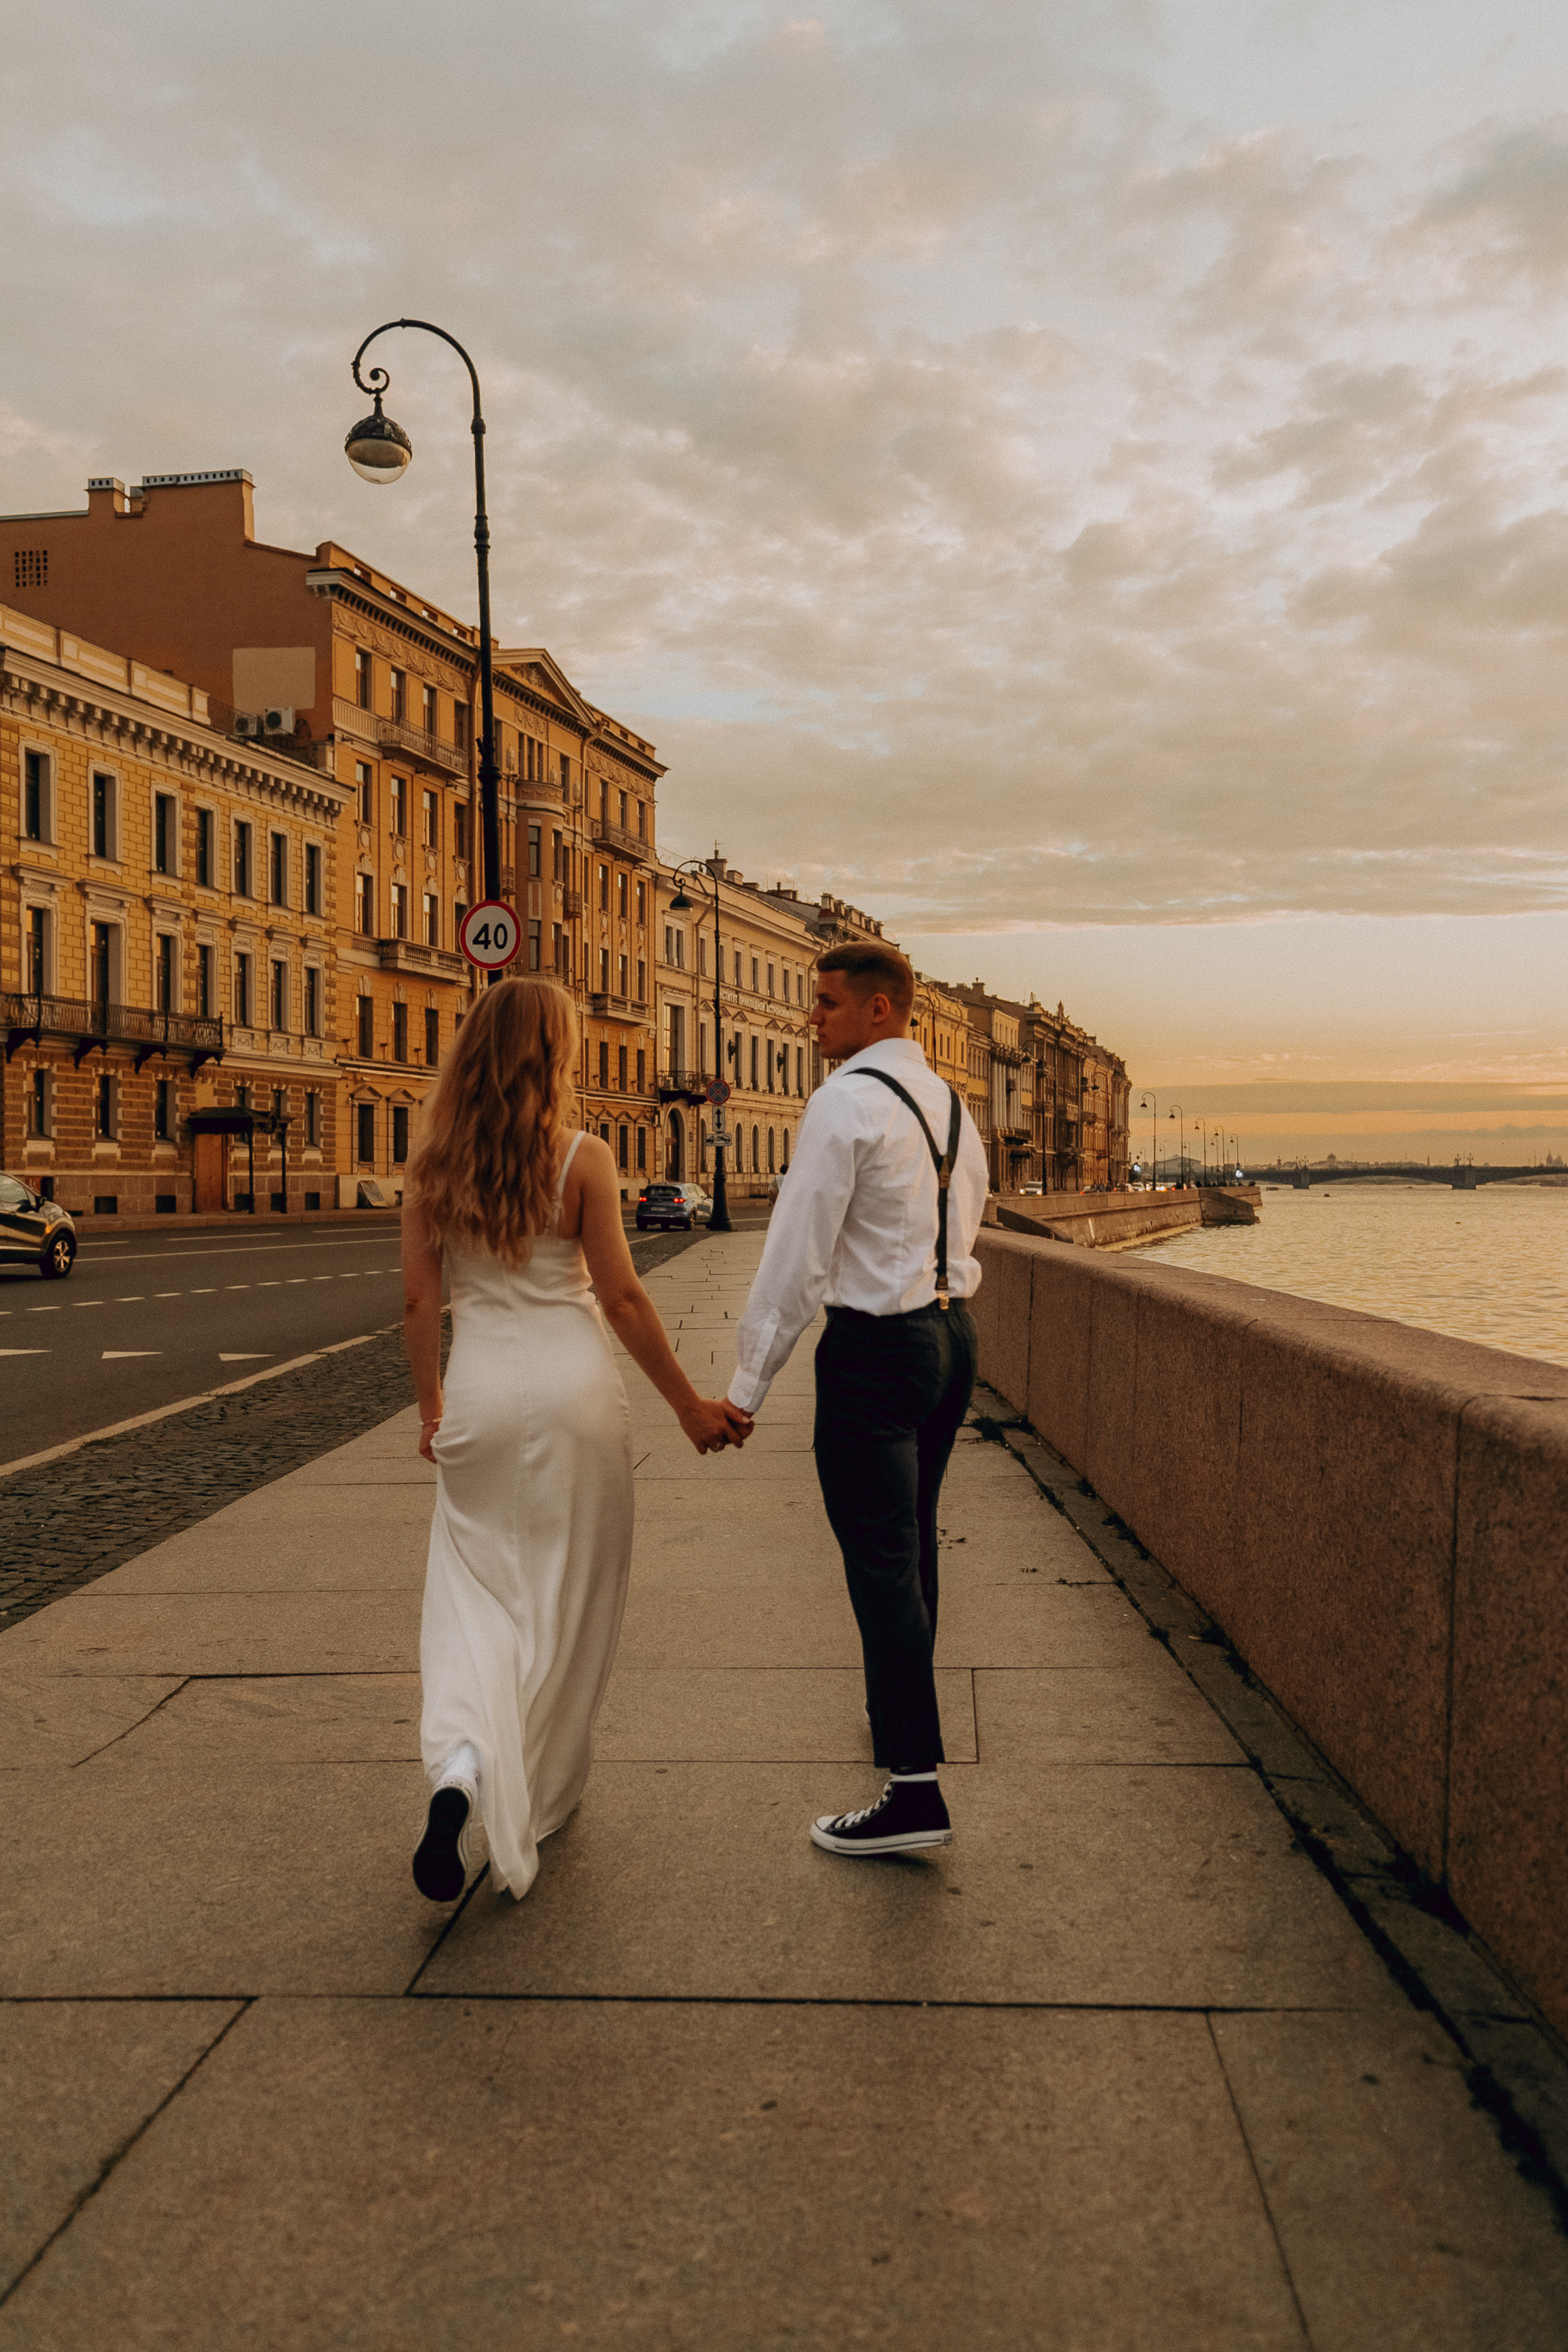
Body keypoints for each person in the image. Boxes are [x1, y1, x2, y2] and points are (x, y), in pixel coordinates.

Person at [401, 976, 752, 1904]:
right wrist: (687, 1406)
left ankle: (461, 1774)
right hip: (575, 1397)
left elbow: (415, 1303)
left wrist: (432, 1409)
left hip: (477, 1396)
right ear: (551, 1055)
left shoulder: (432, 1163)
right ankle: (541, 1795)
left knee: (472, 1601)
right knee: (568, 1601)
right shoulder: (583, 1158)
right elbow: (625, 1296)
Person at [725, 942, 989, 1857]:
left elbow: (796, 1256)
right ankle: (894, 1722)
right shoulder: (949, 1104)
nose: (812, 1019)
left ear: (880, 1011)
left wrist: (743, 1389)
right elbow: (966, 1222)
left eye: (827, 1004)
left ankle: (912, 1787)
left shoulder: (841, 1101)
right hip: (950, 1339)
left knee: (880, 1563)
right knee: (911, 1545)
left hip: (877, 1349)